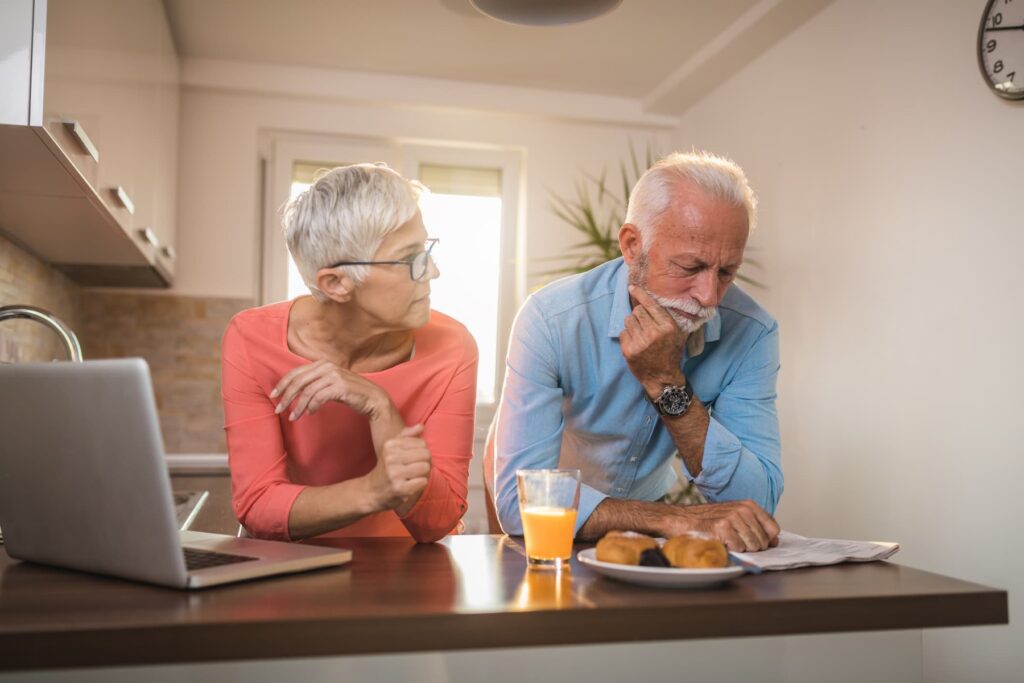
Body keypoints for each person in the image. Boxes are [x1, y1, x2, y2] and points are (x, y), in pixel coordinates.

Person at [490, 151, 781, 552]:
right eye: (690, 267)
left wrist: (667, 384)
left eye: (727, 271)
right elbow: (518, 502)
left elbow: (756, 501)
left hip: (647, 528)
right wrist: (671, 520)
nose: (709, 296)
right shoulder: (551, 319)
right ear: (631, 245)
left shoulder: (752, 332)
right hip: (554, 530)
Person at [222, 163, 477, 543]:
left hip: (403, 571)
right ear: (337, 283)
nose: (433, 272)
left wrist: (380, 405)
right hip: (284, 570)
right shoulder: (250, 339)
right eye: (410, 259)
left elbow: (438, 522)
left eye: (425, 251)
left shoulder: (452, 348)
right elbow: (258, 506)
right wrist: (373, 491)